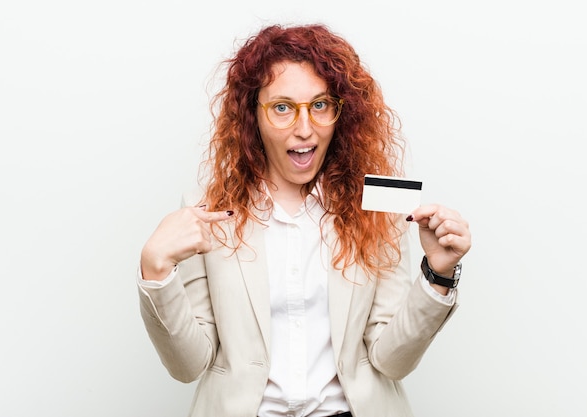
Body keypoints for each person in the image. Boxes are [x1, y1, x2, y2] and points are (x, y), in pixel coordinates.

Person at [137, 23, 471, 417]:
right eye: (282, 108)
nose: (304, 128)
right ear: (252, 116)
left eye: (319, 105)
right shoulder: (207, 211)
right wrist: (155, 269)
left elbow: (391, 361)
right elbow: (188, 365)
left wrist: (438, 274)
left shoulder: (376, 206)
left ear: (340, 112)